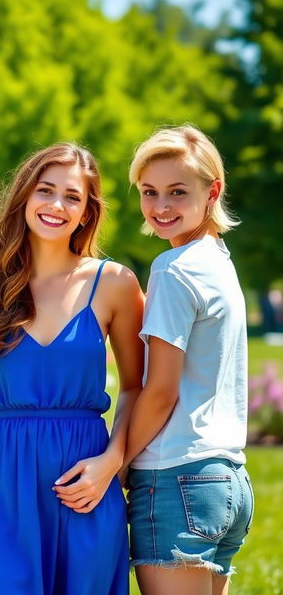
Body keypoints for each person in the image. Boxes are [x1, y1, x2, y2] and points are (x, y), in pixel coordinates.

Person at [0, 143, 144, 595]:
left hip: (84, 482)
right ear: (24, 197)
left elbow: (136, 388)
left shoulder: (115, 284)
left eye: (72, 196)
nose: (56, 205)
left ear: (88, 212)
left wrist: (112, 461)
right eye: (45, 190)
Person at [123, 125, 253, 595]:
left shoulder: (174, 269)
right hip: (229, 481)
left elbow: (161, 391)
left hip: (176, 478)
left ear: (212, 191)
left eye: (178, 192)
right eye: (149, 192)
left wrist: (117, 460)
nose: (161, 207)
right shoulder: (219, 260)